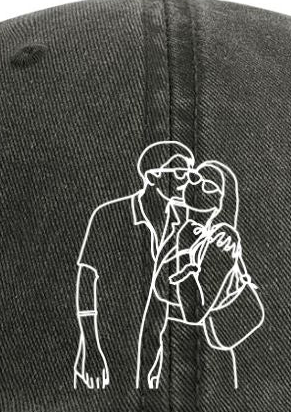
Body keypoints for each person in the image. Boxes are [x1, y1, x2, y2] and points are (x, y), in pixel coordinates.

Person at [74, 141, 193, 389]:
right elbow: (86, 281)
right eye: (181, 173)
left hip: (157, 353)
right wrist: (92, 348)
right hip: (107, 347)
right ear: (153, 176)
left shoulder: (185, 225)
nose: (187, 181)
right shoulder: (109, 215)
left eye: (191, 174)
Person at [139, 160, 261, 389]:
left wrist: (185, 260)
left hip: (206, 358)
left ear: (221, 202)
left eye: (209, 186)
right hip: (170, 349)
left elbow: (194, 311)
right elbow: (159, 288)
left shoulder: (221, 241)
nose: (196, 185)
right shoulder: (179, 227)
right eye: (194, 178)